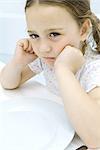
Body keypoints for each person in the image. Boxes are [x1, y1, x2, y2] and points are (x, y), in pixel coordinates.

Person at [0, 0, 100, 149]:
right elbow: (8, 83)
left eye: (54, 34)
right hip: (55, 124)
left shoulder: (93, 69)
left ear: (83, 30)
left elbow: (95, 137)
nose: (43, 48)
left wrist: (63, 70)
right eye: (34, 35)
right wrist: (17, 62)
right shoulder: (48, 57)